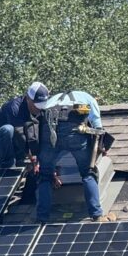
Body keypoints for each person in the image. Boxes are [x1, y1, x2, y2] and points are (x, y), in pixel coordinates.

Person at [34, 90, 114, 223]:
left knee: (45, 176)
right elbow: (97, 125)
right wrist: (101, 146)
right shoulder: (88, 98)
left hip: (49, 131)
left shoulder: (51, 100)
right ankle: (96, 215)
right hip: (75, 132)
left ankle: (42, 218)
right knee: (88, 172)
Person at [0, 82, 49, 169]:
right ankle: (7, 167)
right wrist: (33, 158)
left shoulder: (40, 110)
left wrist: (43, 160)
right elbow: (20, 134)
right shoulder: (14, 108)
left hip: (15, 146)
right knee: (8, 129)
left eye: (41, 105)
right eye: (36, 105)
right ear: (28, 98)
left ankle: (18, 159)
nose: (38, 108)